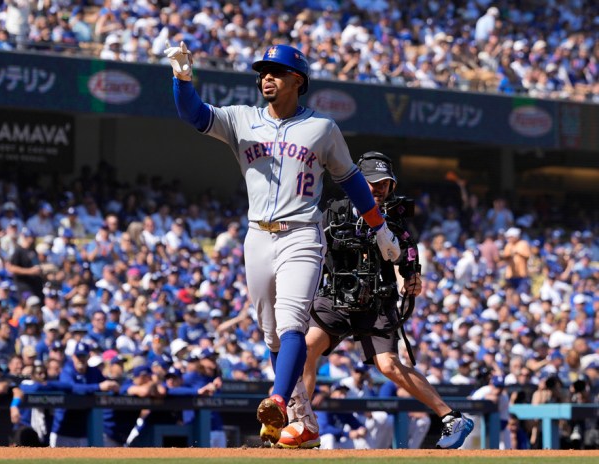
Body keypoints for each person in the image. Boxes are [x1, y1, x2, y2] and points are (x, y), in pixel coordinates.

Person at [165, 41, 401, 445]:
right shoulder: (242, 119)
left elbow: (352, 181)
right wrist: (182, 80)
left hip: (302, 234)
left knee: (293, 323)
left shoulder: (323, 128)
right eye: (263, 71)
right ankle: (303, 423)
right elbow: (195, 115)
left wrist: (379, 228)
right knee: (271, 336)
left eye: (275, 71)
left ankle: (276, 400)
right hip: (257, 236)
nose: (266, 77)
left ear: (297, 79)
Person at [277, 152, 474, 449]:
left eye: (385, 183)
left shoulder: (394, 218)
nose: (380, 188)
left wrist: (411, 277)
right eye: (373, 183)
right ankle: (300, 422)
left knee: (389, 366)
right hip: (337, 294)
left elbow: (407, 253)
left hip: (377, 300)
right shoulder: (335, 211)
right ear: (357, 182)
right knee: (305, 348)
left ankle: (451, 418)